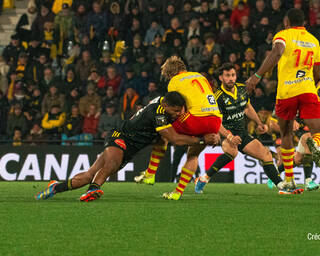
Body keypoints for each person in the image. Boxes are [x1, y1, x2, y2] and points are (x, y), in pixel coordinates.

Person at [35, 92, 219, 202]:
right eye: (176, 111)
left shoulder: (166, 106)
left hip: (131, 148)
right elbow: (176, 140)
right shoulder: (159, 114)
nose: (179, 114)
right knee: (112, 163)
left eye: (181, 110)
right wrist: (203, 140)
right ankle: (94, 190)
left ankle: (55, 187)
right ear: (165, 105)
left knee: (89, 174)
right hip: (121, 135)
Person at [135, 56, 241, 200]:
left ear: (170, 73)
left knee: (163, 130)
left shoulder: (174, 81)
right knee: (193, 154)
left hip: (196, 120)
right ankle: (177, 193)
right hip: (215, 119)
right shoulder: (200, 77)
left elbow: (177, 106)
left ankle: (150, 174)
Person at [246, 8, 320, 192]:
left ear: (287, 21)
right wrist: (312, 85)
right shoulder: (314, 41)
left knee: (285, 134)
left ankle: (289, 179)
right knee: (316, 130)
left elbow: (276, 53)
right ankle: (316, 144)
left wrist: (257, 75)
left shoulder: (283, 35)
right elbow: (318, 71)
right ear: (304, 23)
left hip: (286, 93)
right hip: (308, 90)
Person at [195, 63, 287, 195]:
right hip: (224, 134)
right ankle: (204, 179)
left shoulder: (242, 89)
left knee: (266, 155)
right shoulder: (217, 97)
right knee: (232, 152)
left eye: (233, 75)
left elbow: (247, 107)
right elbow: (216, 123)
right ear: (221, 78)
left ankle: (282, 186)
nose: (231, 78)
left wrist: (259, 123)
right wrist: (229, 136)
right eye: (227, 76)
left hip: (242, 133)